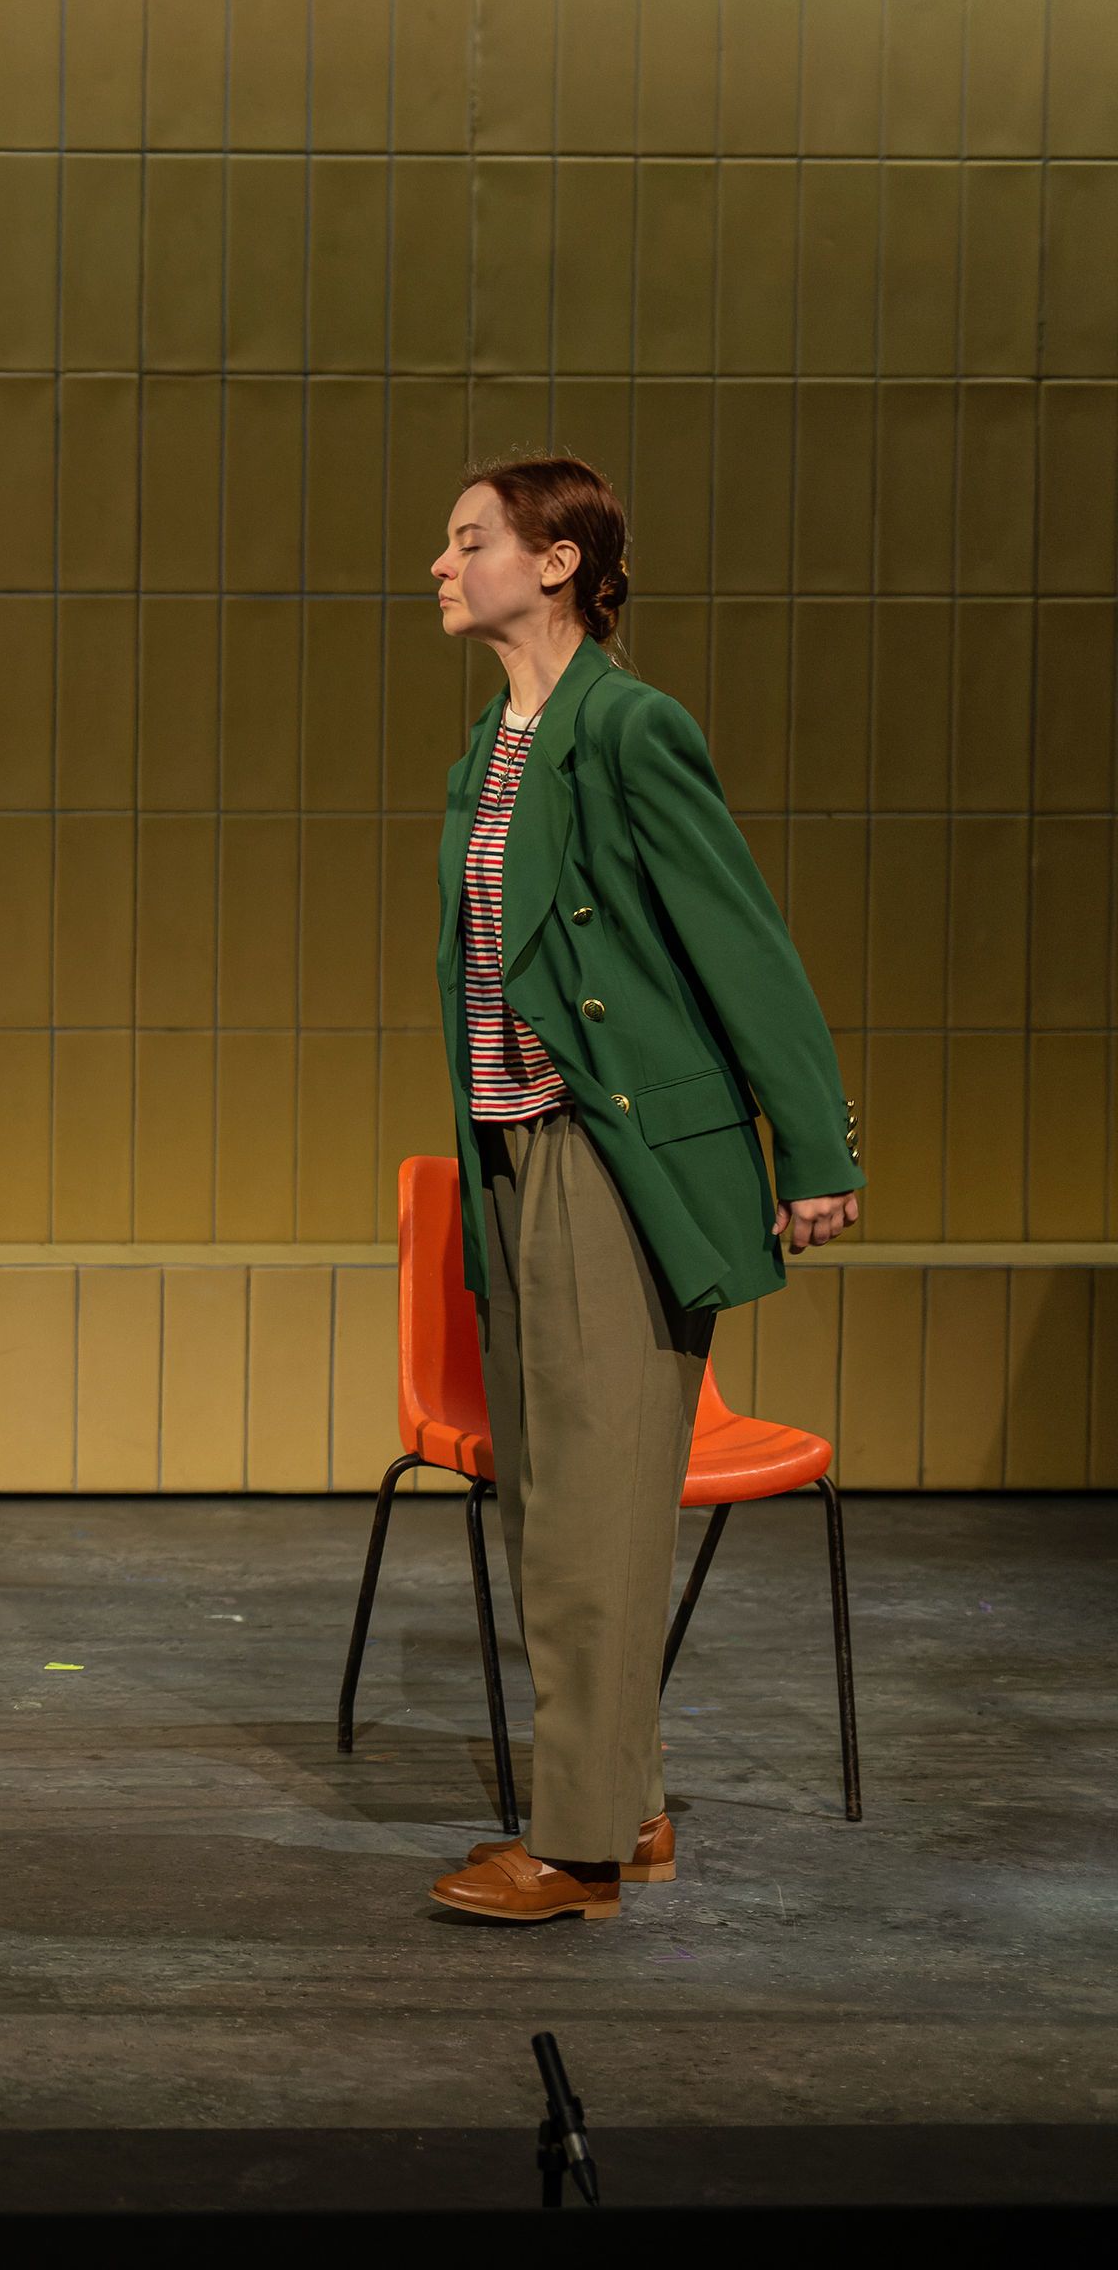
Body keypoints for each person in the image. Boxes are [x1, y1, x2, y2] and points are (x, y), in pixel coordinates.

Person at [420, 454, 862, 1924]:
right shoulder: (495, 746)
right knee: (554, 1502)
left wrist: (813, 1152)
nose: (442, 563)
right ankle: (632, 1807)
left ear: (554, 563)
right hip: (513, 1157)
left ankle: (582, 1848)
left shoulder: (628, 728)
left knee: (599, 1512)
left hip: (613, 1165)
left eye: (469, 540)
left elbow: (742, 940)